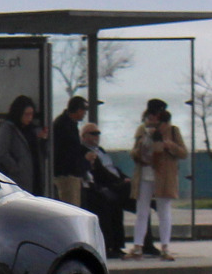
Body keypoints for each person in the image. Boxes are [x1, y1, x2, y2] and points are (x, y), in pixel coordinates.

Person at [132, 100, 187, 258]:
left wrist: (171, 146)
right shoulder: (142, 130)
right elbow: (134, 153)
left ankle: (165, 246)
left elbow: (183, 153)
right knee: (142, 211)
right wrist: (140, 148)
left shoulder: (172, 131)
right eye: (151, 115)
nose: (153, 118)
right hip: (145, 172)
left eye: (156, 115)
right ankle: (137, 246)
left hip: (163, 176)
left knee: (164, 211)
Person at [80, 122, 133, 256]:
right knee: (111, 203)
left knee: (135, 200)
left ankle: (120, 245)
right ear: (84, 136)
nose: (97, 136)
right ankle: (109, 245)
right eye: (93, 133)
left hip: (115, 183)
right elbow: (100, 172)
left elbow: (113, 168)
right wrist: (119, 181)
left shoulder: (101, 150)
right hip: (102, 187)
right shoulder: (85, 152)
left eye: (98, 133)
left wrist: (124, 177)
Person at [0, 94, 41, 190]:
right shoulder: (8, 128)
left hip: (33, 177)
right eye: (26, 114)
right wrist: (16, 169)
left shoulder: (30, 129)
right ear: (19, 113)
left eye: (31, 114)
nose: (29, 118)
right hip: (18, 179)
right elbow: (1, 152)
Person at [49, 96, 88, 208]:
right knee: (71, 208)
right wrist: (84, 160)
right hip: (66, 176)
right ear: (77, 110)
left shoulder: (69, 123)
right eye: (83, 110)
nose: (84, 114)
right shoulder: (62, 125)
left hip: (71, 174)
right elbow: (68, 152)